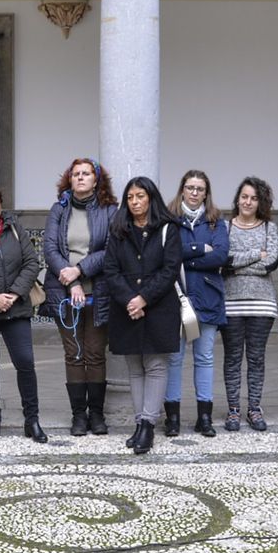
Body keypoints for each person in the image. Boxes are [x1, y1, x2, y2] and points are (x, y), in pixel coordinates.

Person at [105, 175, 182, 455]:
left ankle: (149, 425)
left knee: (156, 365)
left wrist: (143, 298)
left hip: (159, 306)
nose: (135, 202)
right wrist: (129, 299)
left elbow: (170, 269)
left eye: (140, 196)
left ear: (151, 198)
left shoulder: (168, 228)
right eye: (130, 197)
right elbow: (110, 269)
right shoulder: (119, 229)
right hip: (126, 307)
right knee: (134, 368)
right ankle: (139, 423)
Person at [43, 158, 118, 435]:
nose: (80, 177)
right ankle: (78, 416)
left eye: (86, 173)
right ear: (69, 179)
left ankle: (96, 415)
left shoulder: (109, 210)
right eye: (76, 174)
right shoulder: (59, 209)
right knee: (74, 354)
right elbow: (50, 248)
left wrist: (80, 271)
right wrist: (70, 279)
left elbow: (111, 249)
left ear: (96, 179)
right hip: (64, 291)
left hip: (98, 291)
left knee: (95, 354)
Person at [0, 181, 48, 445]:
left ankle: (32, 419)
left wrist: (13, 294)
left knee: (25, 363)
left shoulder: (15, 229)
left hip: (17, 309)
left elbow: (32, 263)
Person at [163, 170, 228, 437]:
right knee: (174, 359)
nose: (194, 193)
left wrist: (185, 258)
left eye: (200, 189)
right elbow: (168, 255)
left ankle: (204, 417)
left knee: (204, 358)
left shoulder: (216, 222)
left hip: (208, 297)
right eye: (190, 187)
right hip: (176, 298)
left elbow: (222, 255)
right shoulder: (170, 220)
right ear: (182, 190)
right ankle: (173, 418)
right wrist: (201, 250)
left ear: (206, 193)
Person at [220, 177, 278, 432]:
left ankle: (254, 408)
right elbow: (224, 261)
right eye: (244, 196)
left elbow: (271, 263)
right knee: (232, 358)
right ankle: (233, 409)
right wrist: (256, 254)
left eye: (254, 198)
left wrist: (237, 264)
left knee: (256, 358)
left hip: (262, 305)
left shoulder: (269, 229)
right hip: (231, 303)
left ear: (260, 202)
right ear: (237, 199)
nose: (248, 202)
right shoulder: (225, 228)